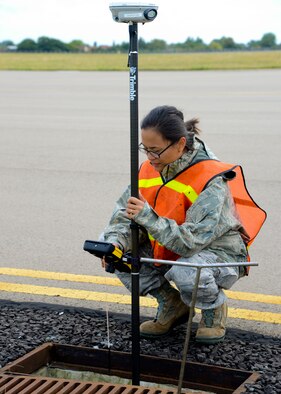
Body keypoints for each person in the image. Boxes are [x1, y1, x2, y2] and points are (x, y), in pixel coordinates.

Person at [101, 105, 266, 344]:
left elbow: (190, 242)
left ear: (179, 144)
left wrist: (147, 217)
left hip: (215, 252)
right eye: (145, 149)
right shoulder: (149, 169)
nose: (149, 158)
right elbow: (122, 217)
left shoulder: (211, 178)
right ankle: (172, 305)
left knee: (187, 270)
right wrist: (115, 242)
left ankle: (213, 309)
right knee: (114, 251)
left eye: (155, 151)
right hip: (168, 244)